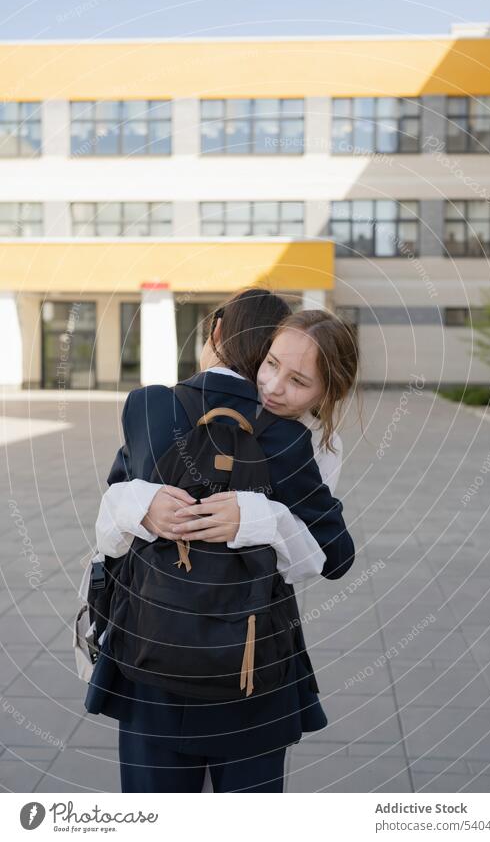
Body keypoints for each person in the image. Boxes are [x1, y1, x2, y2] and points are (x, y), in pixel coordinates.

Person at [85, 289, 358, 793]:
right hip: (252, 670)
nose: (276, 386)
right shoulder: (292, 437)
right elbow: (333, 555)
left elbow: (110, 541)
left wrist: (139, 506)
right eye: (274, 365)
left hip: (151, 656)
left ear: (215, 332)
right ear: (264, 352)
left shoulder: (150, 405)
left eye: (297, 379)